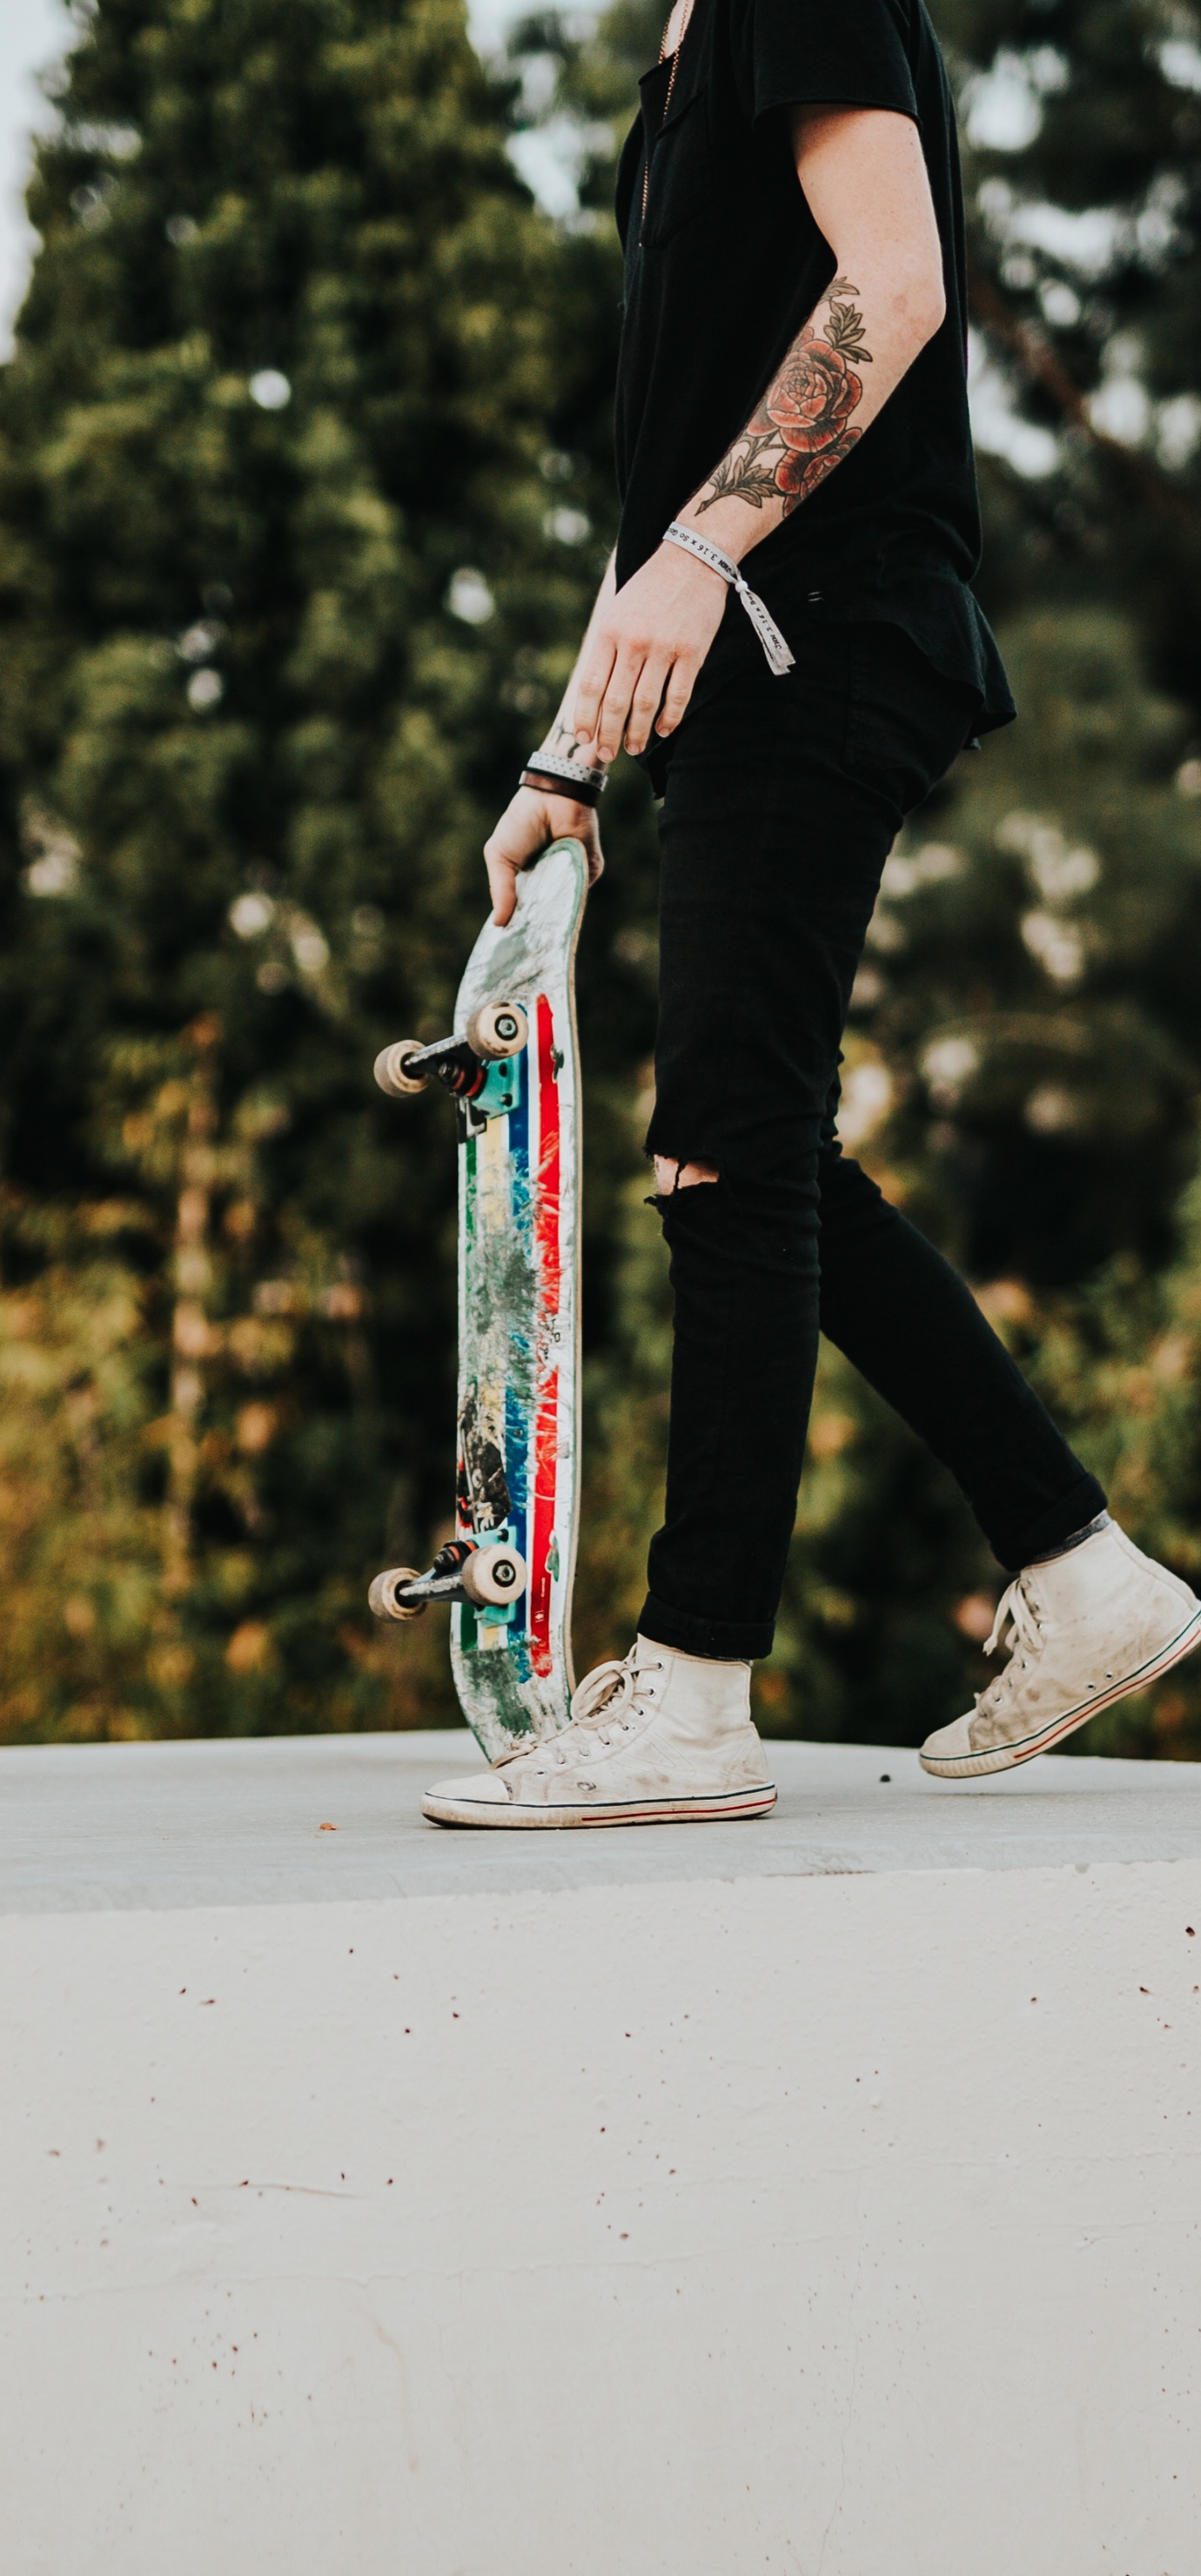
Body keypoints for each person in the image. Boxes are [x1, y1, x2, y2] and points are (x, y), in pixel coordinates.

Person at [420, 0, 1201, 1828]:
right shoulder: (689, 50)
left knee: (725, 1155)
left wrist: (704, 558)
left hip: (825, 624)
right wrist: (569, 754)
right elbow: (679, 458)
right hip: (757, 645)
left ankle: (695, 1687)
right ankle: (1081, 1570)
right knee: (753, 1142)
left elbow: (898, 282)